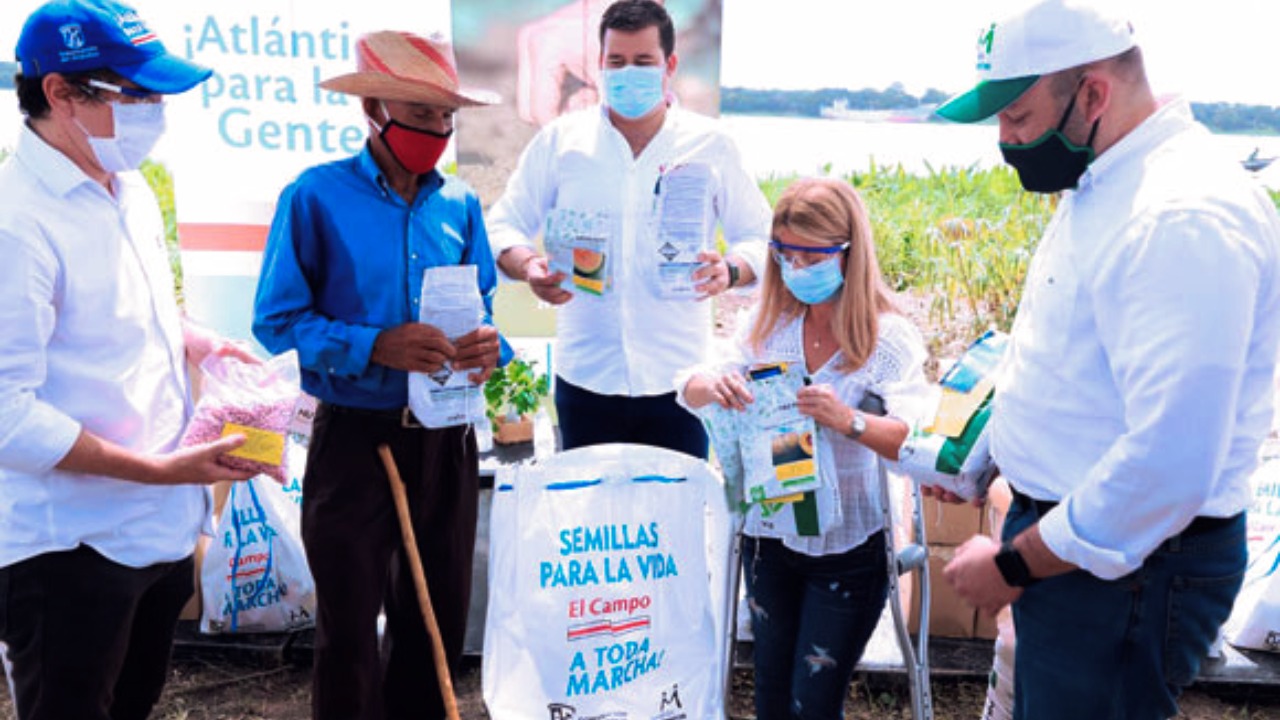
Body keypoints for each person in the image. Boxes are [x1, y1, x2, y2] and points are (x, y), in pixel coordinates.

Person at [933, 2, 1280, 718]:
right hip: (1084, 555)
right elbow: (1082, 365)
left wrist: (1012, 563)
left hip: (1129, 573)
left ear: (1092, 93)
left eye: (1018, 116)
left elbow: (1167, 462)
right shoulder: (1109, 179)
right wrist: (990, 453)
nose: (1005, 139)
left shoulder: (1179, 215)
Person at [0, 1, 258, 718]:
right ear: (59, 93)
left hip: (160, 528)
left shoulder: (130, 187)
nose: (154, 113)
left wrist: (195, 339)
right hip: (72, 548)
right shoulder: (15, 225)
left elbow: (132, 310)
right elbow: (7, 415)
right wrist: (155, 469)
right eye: (136, 95)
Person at [252, 31, 503, 720]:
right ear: (371, 105)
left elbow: (484, 310)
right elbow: (277, 323)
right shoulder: (316, 197)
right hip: (354, 441)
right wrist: (373, 346)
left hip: (445, 435)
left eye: (447, 117)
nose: (438, 131)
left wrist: (490, 348)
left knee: (436, 621)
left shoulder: (460, 207)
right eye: (421, 115)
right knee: (349, 628)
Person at [677, 178, 930, 720]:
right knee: (769, 698)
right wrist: (712, 387)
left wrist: (851, 420)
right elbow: (696, 382)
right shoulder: (770, 326)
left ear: (848, 254)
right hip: (771, 537)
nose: (795, 267)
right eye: (784, 254)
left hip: (848, 547)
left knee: (812, 704)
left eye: (810, 256)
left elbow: (914, 440)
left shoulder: (887, 341)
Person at [488, 0, 772, 459]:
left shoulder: (711, 144)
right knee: (588, 524)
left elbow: (760, 237)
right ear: (598, 65)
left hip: (681, 383)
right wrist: (529, 267)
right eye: (615, 62)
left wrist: (731, 271)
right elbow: (503, 223)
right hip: (586, 381)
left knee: (676, 521)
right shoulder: (562, 143)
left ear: (670, 65)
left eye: (643, 62)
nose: (628, 73)